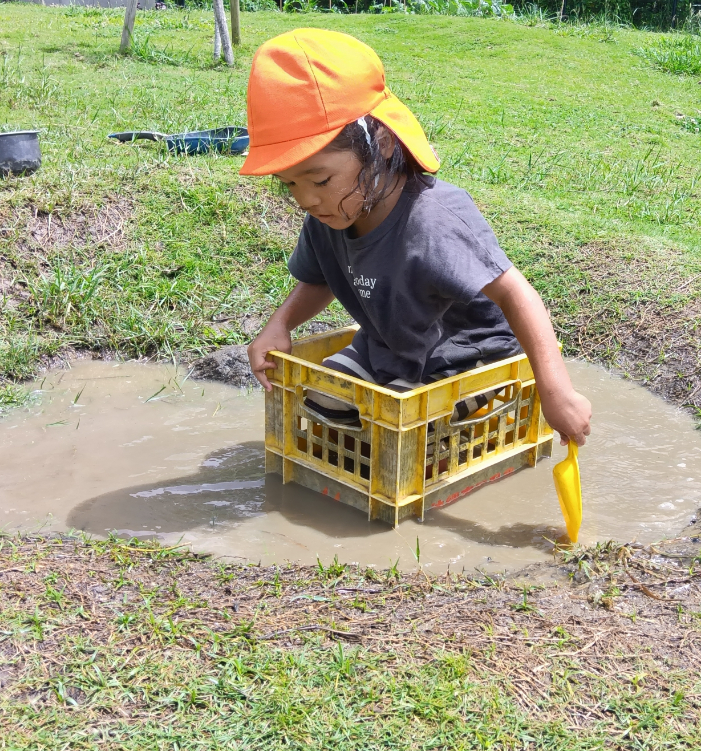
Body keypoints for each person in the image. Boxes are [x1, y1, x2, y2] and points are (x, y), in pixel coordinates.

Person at [243, 28, 591, 447]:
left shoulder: (434, 219)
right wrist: (279, 325)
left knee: (406, 435)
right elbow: (318, 279)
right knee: (319, 405)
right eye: (290, 184)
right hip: (390, 349)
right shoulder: (330, 213)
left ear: (384, 143)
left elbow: (517, 294)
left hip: (468, 356)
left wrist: (557, 394)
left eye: (320, 178)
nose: (307, 199)